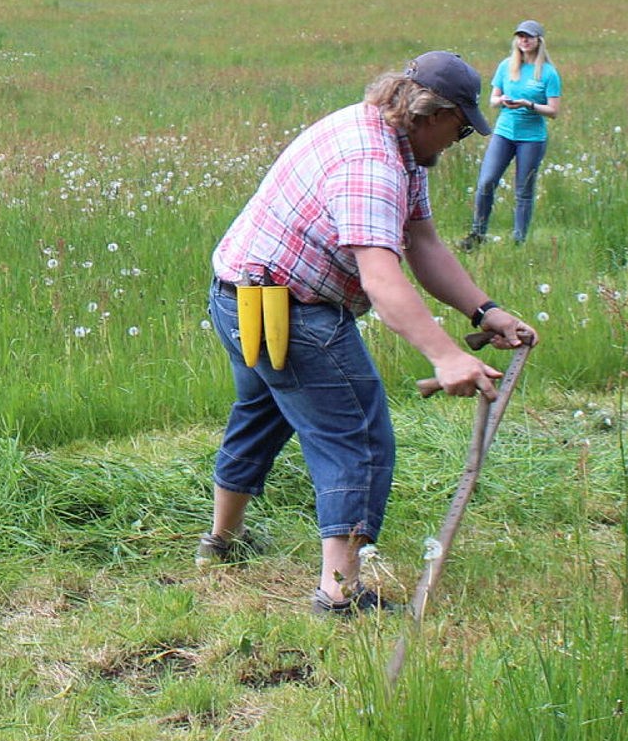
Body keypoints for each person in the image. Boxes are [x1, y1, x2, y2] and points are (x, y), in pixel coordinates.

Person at [196, 50, 538, 616]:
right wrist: (446, 356)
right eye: (460, 126)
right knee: (355, 429)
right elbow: (382, 277)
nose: (463, 140)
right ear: (431, 113)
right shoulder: (370, 164)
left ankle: (221, 542)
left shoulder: (397, 145)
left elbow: (422, 243)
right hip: (287, 308)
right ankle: (339, 592)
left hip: (242, 294)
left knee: (263, 410)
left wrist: (484, 311)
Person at [464, 20, 563, 248]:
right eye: (520, 36)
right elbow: (492, 100)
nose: (524, 40)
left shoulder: (548, 73)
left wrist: (528, 104)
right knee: (486, 182)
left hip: (532, 138)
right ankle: (477, 234)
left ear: (539, 40)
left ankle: (519, 240)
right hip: (504, 133)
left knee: (524, 190)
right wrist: (503, 101)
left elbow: (553, 111)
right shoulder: (506, 66)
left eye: (528, 37)